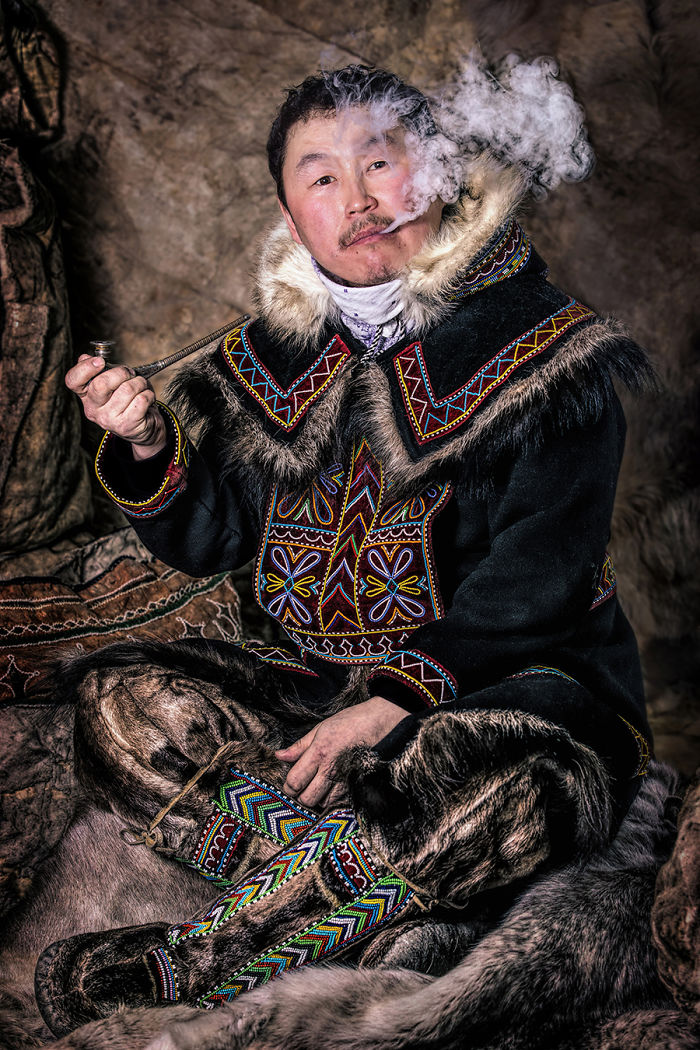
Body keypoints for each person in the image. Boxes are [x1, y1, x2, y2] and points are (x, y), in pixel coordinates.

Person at [36, 65, 652, 1034]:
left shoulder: (551, 356)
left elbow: (539, 578)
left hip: (502, 700)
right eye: (319, 176)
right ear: (288, 209)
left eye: (380, 160)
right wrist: (147, 447)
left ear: (441, 176)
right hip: (309, 687)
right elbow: (212, 543)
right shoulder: (262, 363)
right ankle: (374, 873)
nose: (357, 199)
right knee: (122, 705)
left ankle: (224, 946)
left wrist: (391, 703)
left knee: (518, 794)